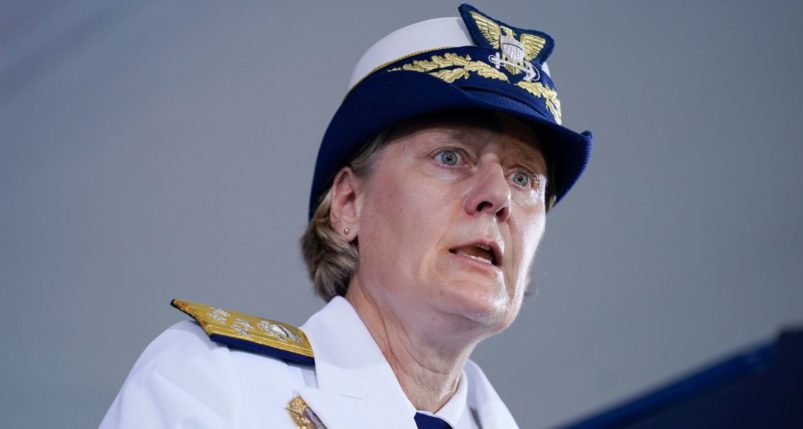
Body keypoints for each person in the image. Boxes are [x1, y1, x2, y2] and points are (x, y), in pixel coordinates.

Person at [100, 4, 592, 428]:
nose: (497, 196)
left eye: (524, 177)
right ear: (348, 205)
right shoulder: (212, 384)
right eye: (450, 157)